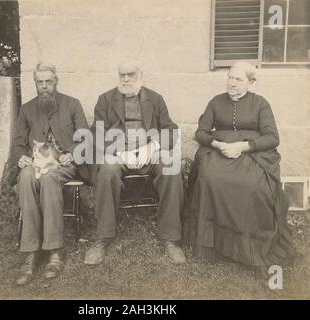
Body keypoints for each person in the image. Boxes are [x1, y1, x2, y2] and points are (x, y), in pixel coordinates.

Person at [184, 61, 294, 275]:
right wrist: (217, 144)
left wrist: (244, 146)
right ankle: (211, 244)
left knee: (251, 185)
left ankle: (250, 247)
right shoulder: (216, 102)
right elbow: (201, 132)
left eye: (238, 79)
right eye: (230, 77)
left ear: (250, 83)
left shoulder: (261, 104)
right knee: (210, 178)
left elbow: (272, 137)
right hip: (219, 151)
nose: (232, 83)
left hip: (252, 154)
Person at [84, 61, 186, 265]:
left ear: (141, 75)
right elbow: (97, 134)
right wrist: (121, 152)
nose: (126, 79)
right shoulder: (105, 100)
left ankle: (170, 238)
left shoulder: (155, 99)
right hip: (119, 153)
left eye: (131, 74)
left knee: (171, 167)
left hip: (148, 151)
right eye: (122, 75)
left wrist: (153, 147)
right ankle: (103, 238)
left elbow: (171, 130)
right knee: (107, 169)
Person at [11, 62, 89, 285]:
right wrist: (21, 157)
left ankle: (55, 249)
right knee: (25, 176)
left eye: (48, 82)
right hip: (35, 162)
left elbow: (85, 138)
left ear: (56, 82)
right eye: (40, 82)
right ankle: (30, 253)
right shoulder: (26, 109)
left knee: (48, 177)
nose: (44, 86)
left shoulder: (72, 105)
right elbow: (17, 143)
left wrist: (72, 154)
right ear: (35, 83)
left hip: (64, 164)